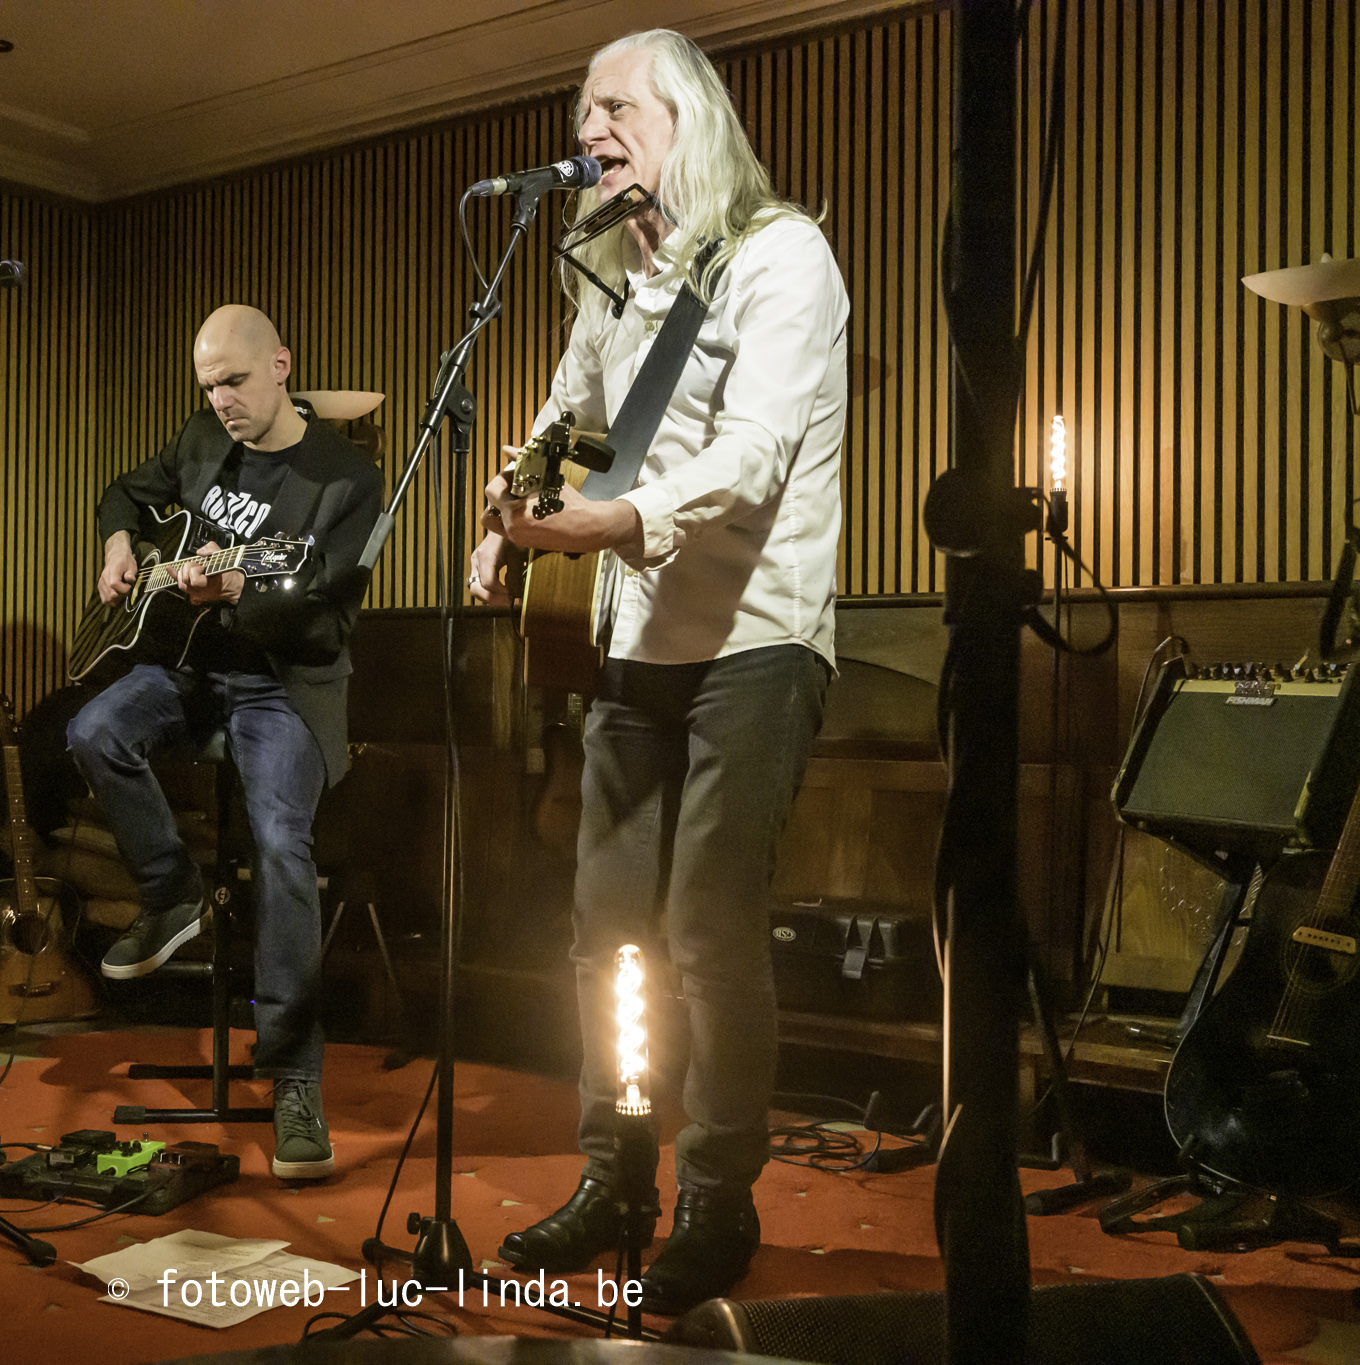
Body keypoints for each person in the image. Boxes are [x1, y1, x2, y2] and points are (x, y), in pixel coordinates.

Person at [470, 30, 849, 1313]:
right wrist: (508, 517)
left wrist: (616, 519)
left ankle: (718, 1196)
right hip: (635, 640)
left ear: (687, 117)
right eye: (582, 113)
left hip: (756, 636)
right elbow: (562, 418)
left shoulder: (781, 255)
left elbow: (754, 452)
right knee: (602, 931)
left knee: (704, 930)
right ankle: (613, 1175)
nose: (591, 130)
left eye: (615, 107)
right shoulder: (610, 279)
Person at [66, 304, 382, 1180]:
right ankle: (173, 895)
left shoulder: (346, 480)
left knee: (281, 843)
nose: (222, 401)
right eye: (209, 387)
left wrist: (241, 588)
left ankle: (294, 1075)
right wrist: (121, 546)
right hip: (191, 664)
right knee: (92, 730)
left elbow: (328, 617)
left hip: (286, 683)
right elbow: (123, 493)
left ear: (282, 364)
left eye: (235, 381)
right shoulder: (203, 439)